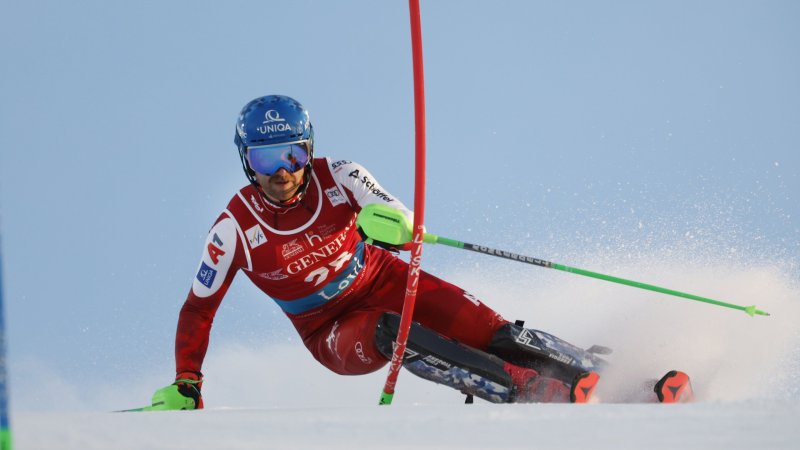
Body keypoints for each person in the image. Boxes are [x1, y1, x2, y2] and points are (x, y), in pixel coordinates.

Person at [150, 95, 607, 410]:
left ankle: (602, 373)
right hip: (331, 328)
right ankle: (525, 389)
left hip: (385, 278)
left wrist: (394, 227)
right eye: (264, 159)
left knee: (490, 331)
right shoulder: (233, 228)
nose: (281, 173)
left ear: (308, 150)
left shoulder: (340, 173)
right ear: (246, 161)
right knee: (393, 331)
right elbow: (198, 308)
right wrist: (187, 380)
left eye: (292, 156)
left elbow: (399, 217)